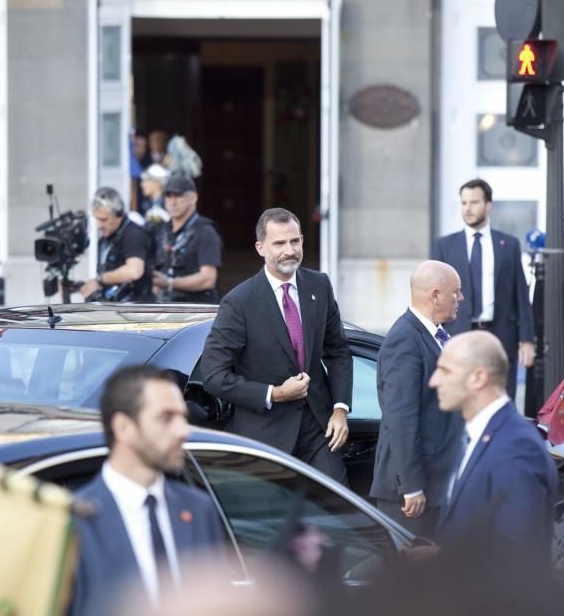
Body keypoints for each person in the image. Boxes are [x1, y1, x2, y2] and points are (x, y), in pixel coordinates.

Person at [200, 208, 352, 482]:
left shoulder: (319, 285)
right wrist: (275, 393)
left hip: (320, 431)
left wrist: (340, 410)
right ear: (260, 248)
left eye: (295, 241)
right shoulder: (239, 303)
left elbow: (338, 351)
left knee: (338, 515)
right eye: (279, 243)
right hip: (264, 438)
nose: (289, 250)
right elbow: (213, 376)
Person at [68, 365, 226, 616]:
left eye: (182, 418)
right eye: (166, 418)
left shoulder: (199, 509)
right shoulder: (72, 523)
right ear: (123, 427)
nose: (182, 431)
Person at [430, 331, 557, 563]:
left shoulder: (517, 447)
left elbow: (515, 557)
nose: (434, 381)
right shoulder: (476, 434)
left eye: (445, 371)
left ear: (478, 378)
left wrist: (440, 561)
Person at [369, 260, 465, 536]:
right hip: (412, 494)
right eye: (455, 292)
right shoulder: (405, 339)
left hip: (438, 483)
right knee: (412, 574)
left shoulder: (434, 334)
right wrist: (411, 486)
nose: (461, 298)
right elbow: (401, 418)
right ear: (435, 296)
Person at [431, 179, 535, 399]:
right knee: (462, 400)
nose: (467, 208)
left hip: (500, 336)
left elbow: (521, 294)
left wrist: (526, 339)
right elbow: (435, 295)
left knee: (500, 399)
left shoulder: (509, 245)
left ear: (488, 205)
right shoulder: (445, 246)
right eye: (464, 203)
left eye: (474, 202)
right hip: (458, 336)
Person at [152, 174, 222, 303]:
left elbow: (208, 279)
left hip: (196, 312)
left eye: (178, 196)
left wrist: (169, 283)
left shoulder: (205, 231)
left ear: (194, 198)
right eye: (168, 196)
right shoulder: (163, 231)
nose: (172, 202)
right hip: (164, 311)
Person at [77, 187, 155, 303]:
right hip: (113, 308)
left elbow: (134, 271)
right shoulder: (106, 238)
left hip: (135, 310)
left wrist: (100, 280)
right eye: (97, 219)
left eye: (104, 220)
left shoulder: (134, 235)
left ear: (119, 214)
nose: (99, 225)